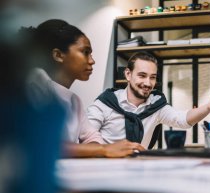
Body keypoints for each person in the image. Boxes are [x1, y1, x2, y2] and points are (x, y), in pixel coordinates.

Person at [22, 19, 144, 158]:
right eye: (85, 52)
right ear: (58, 55)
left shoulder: (74, 100)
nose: (92, 60)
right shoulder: (33, 84)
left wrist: (95, 148)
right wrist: (102, 150)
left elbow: (92, 137)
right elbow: (38, 143)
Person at [87, 51, 210, 149]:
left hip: (138, 170)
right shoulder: (105, 103)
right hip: (104, 167)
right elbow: (86, 139)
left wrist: (208, 107)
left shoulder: (156, 105)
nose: (147, 83)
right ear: (128, 74)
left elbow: (182, 119)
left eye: (152, 77)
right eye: (142, 75)